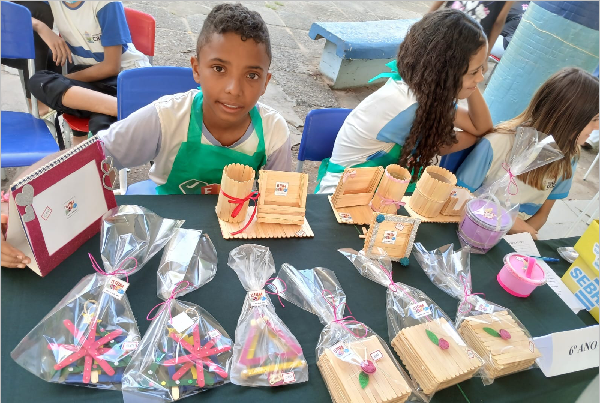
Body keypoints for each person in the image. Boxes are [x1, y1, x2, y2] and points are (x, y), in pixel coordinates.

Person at [98, 3, 292, 195]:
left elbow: (279, 201)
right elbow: (97, 155)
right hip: (166, 212)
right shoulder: (167, 117)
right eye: (219, 69)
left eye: (251, 75)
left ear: (265, 83)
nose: (234, 90)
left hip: (235, 216)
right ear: (197, 70)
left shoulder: (273, 131)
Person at [316, 9, 493, 194]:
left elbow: (479, 128)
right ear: (444, 72)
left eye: (482, 69)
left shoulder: (423, 91)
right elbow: (479, 129)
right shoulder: (406, 104)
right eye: (474, 72)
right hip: (341, 194)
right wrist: (466, 84)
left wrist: (469, 80)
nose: (481, 78)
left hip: (373, 189)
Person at [456, 67, 599, 239]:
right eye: (594, 120)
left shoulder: (569, 157)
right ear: (568, 117)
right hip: (473, 229)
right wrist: (510, 222)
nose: (597, 127)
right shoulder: (497, 144)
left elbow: (542, 214)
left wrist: (522, 237)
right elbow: (459, 196)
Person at [28, 1, 150, 145]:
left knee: (101, 128)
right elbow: (9, 8)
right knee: (38, 80)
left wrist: (64, 80)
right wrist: (40, 26)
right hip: (90, 79)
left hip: (124, 78)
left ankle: (126, 108)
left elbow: (111, 67)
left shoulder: (106, 4)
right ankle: (129, 108)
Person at [429, 1, 514, 66]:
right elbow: (498, 22)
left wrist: (426, 20)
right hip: (470, 40)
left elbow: (499, 22)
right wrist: (485, 56)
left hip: (449, 29)